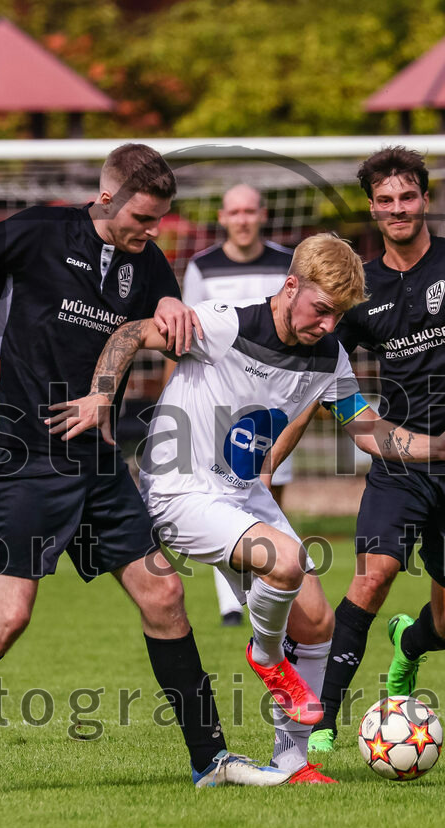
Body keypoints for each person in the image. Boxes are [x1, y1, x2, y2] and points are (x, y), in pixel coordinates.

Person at [0, 144, 291, 795]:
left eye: (161, 218)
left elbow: (162, 324)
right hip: (25, 452)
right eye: (143, 216)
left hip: (97, 458)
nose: (152, 230)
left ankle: (210, 759)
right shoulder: (40, 230)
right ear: (106, 197)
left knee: (165, 594)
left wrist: (171, 314)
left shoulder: (148, 260)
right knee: (10, 614)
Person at [49, 232, 445, 784]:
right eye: (321, 309)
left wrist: (436, 447)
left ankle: (292, 760)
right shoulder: (226, 324)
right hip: (180, 488)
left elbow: (368, 429)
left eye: (339, 316)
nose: (329, 325)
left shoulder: (328, 357)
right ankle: (265, 657)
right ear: (290, 285)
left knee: (320, 623)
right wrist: (102, 394)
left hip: (241, 493)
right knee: (285, 561)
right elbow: (134, 331)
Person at [272, 147, 445, 753]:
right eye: (385, 200)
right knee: (373, 577)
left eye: (407, 197)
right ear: (372, 209)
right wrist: (271, 451)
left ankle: (411, 646)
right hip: (403, 460)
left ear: (425, 200)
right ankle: (322, 725)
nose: (397, 209)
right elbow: (317, 376)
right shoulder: (362, 289)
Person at [181, 184, 294, 627]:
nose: (243, 219)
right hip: (219, 401)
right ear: (223, 217)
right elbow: (189, 334)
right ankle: (230, 603)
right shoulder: (202, 266)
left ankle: (265, 590)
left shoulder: (287, 262)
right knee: (220, 496)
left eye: (250, 210)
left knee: (267, 493)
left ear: (262, 214)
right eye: (235, 211)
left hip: (273, 401)